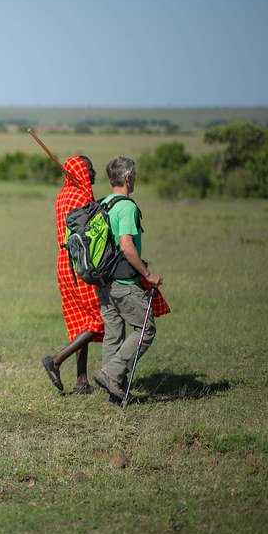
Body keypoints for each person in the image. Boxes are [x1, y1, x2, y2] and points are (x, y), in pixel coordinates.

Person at [92, 156, 170, 404]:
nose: (134, 179)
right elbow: (126, 246)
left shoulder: (103, 203)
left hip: (102, 281)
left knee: (113, 334)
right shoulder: (126, 207)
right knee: (146, 329)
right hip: (123, 283)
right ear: (127, 178)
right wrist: (147, 275)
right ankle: (110, 373)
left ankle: (113, 389)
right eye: (133, 176)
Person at [41, 155, 102, 394]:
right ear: (79, 173)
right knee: (100, 319)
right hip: (80, 264)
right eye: (89, 170)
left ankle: (81, 382)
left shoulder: (62, 195)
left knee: (80, 322)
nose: (93, 173)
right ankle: (55, 360)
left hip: (63, 263)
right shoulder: (81, 198)